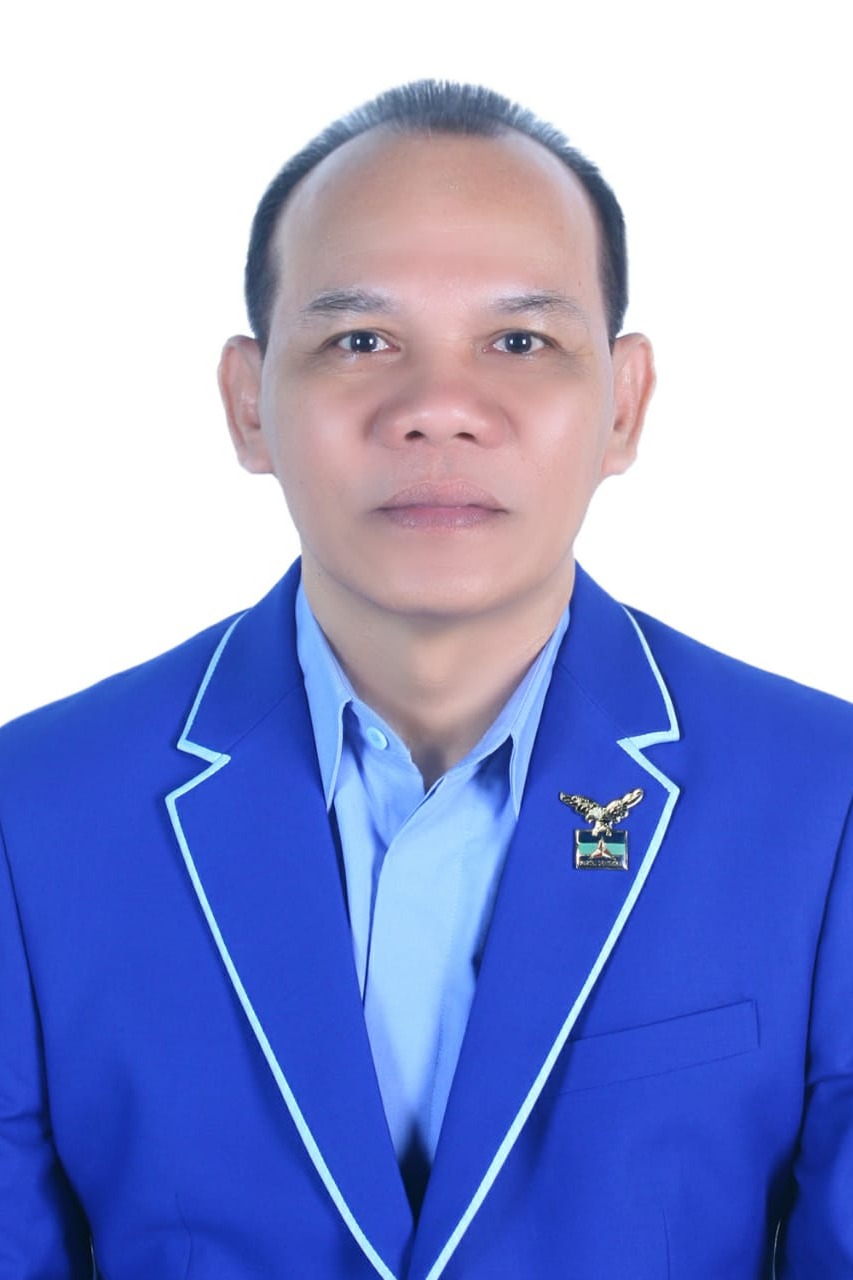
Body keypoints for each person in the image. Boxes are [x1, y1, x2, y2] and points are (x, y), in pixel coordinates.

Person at [0, 80, 850, 1280]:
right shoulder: (33, 813)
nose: (439, 408)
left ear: (623, 404)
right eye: (361, 340)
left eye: (520, 342)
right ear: (249, 403)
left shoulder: (820, 802)